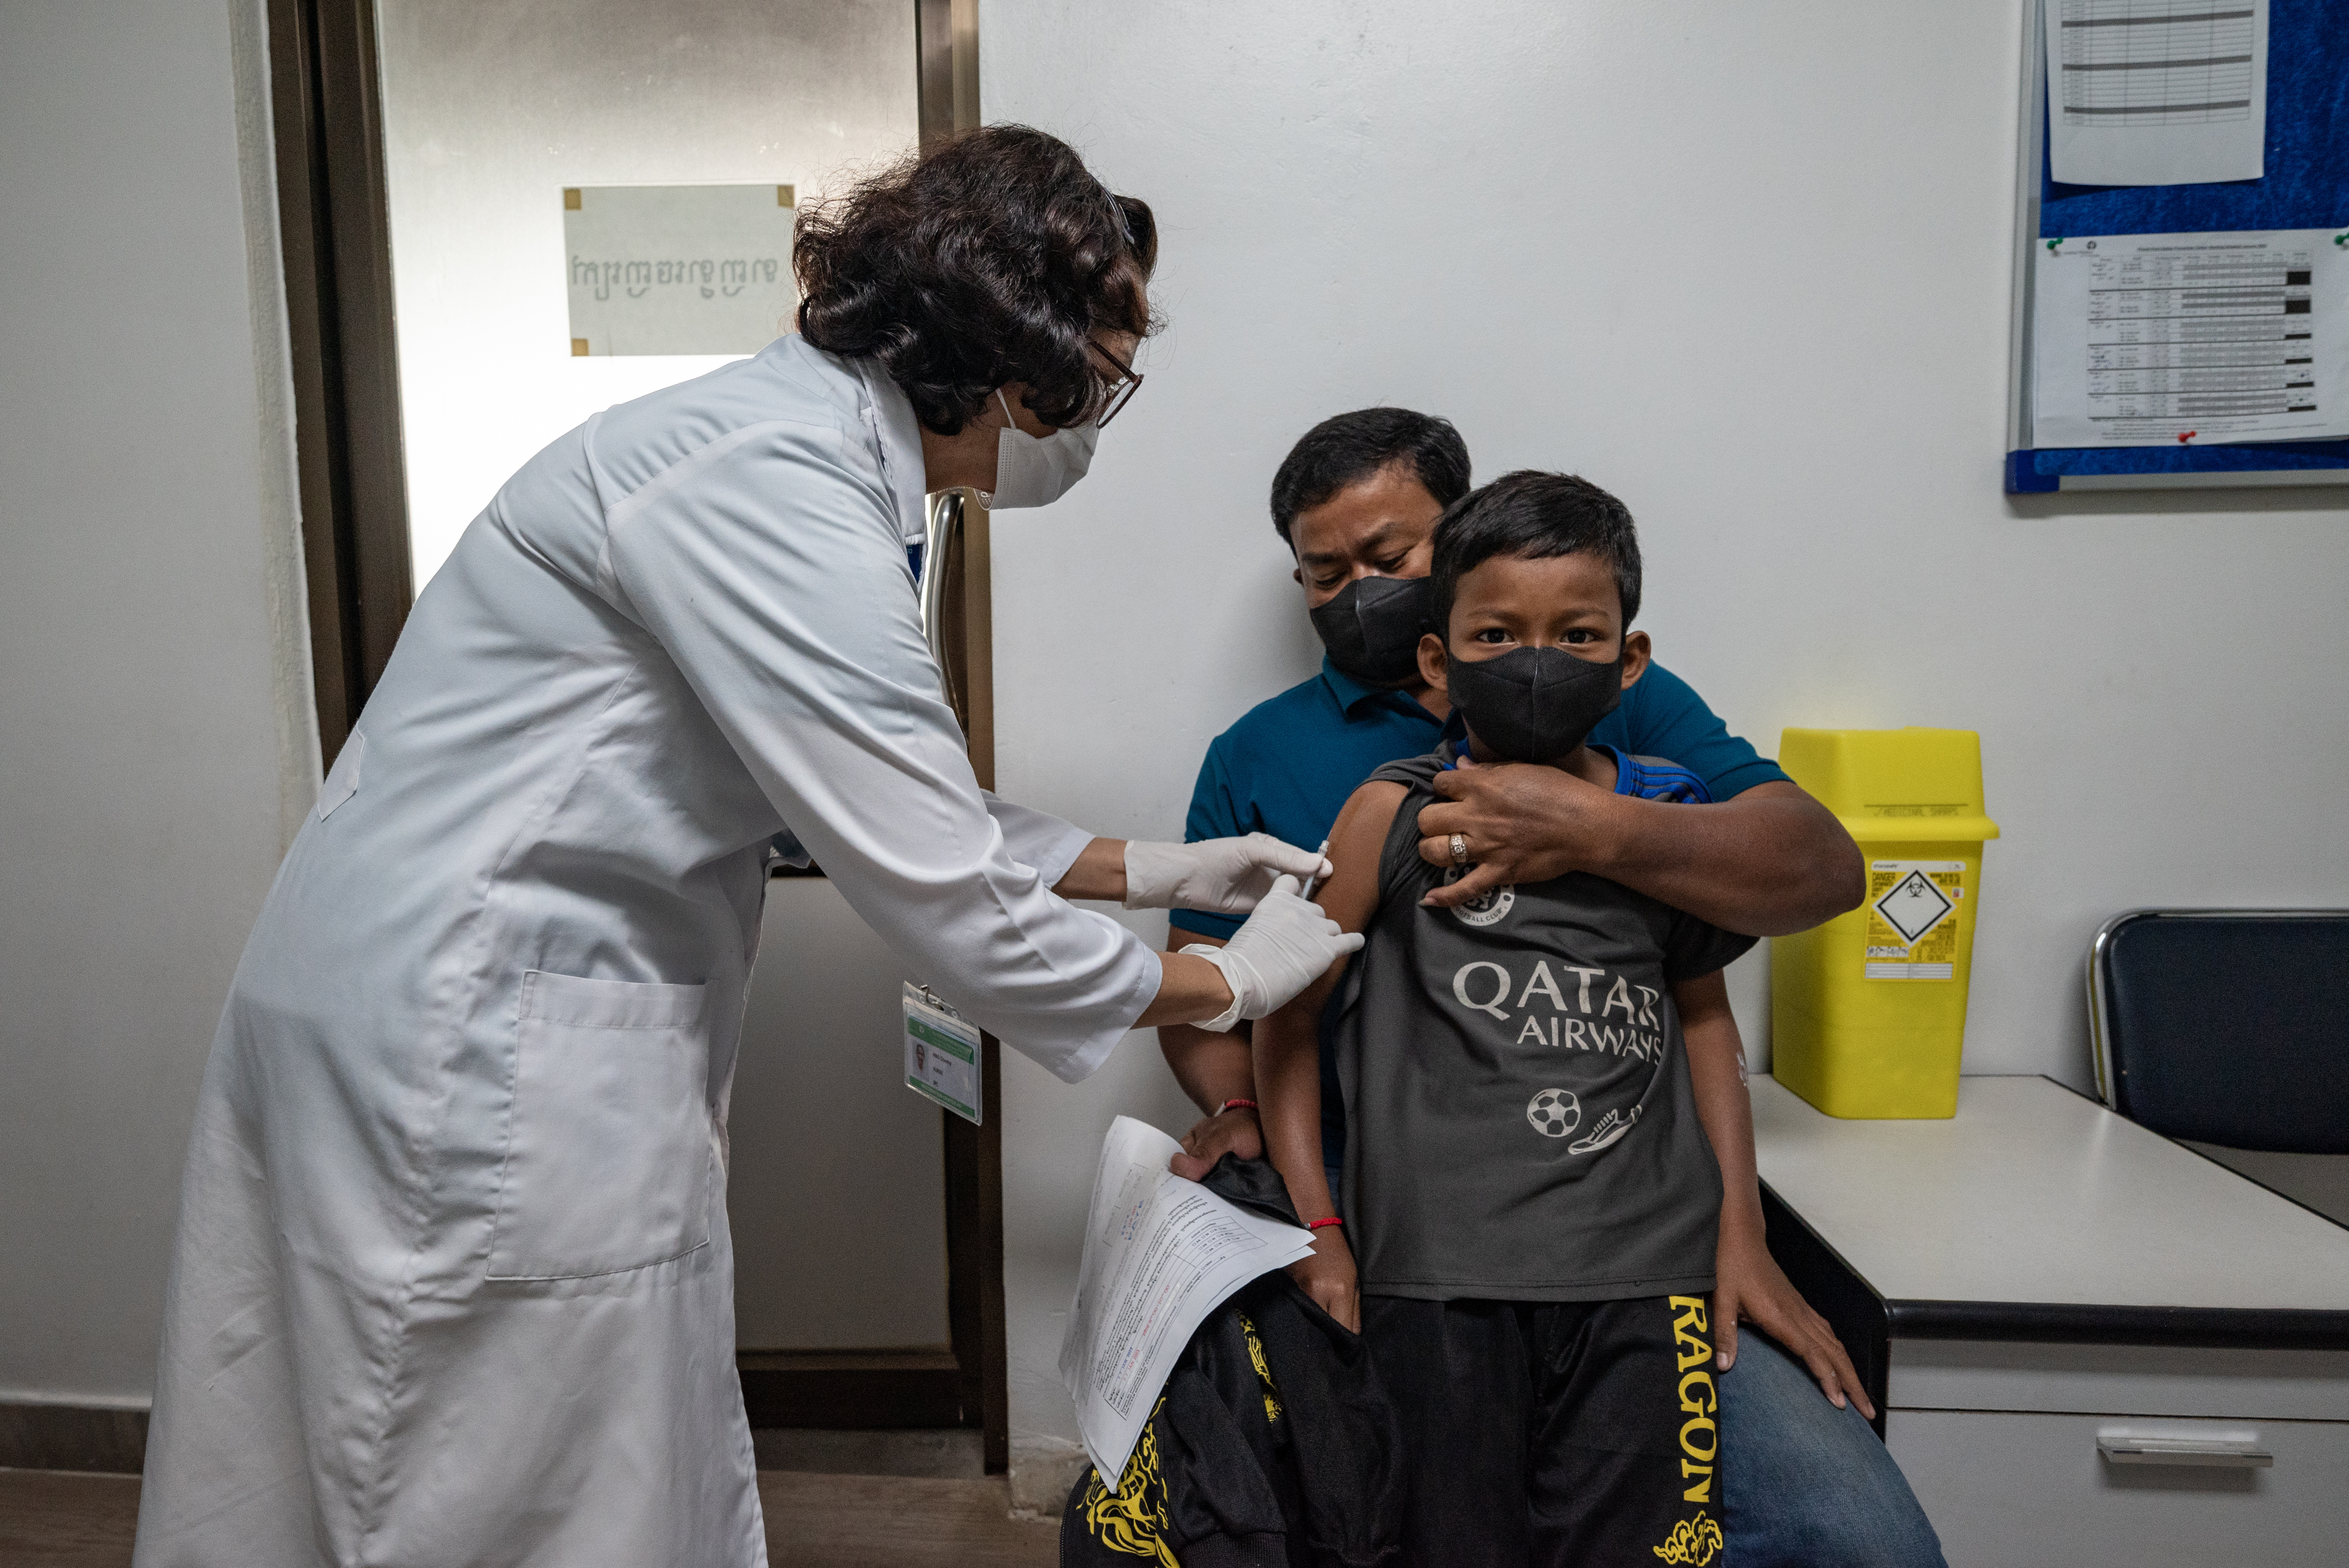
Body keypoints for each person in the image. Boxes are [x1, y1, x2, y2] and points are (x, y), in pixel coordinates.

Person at [131, 127, 1359, 1568]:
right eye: (1107, 356)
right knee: (494, 1476)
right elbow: (927, 872)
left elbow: (851, 801)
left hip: (460, 997)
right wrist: (1228, 984)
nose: (1103, 407)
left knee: (474, 1448)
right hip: (467, 1033)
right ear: (1013, 346)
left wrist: (1158, 868)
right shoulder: (766, 480)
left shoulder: (815, 464)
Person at [1161, 412, 1944, 1566]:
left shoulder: (1615, 699)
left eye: (1388, 560)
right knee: (1245, 1502)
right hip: (1386, 1221)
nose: (1361, 594)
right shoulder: (1270, 757)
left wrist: (1597, 827)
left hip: (1629, 1237)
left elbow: (1803, 884)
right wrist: (1267, 1156)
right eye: (1325, 574)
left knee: (1858, 1536)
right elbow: (1241, 995)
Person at [1249, 470, 1759, 1562]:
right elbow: (1282, 1020)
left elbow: (1705, 1025)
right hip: (1437, 1282)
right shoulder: (1393, 811)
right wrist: (1319, 1231)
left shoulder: (1666, 819)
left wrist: (1736, 1226)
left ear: (1630, 660)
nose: (1537, 662)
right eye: (1496, 632)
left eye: (1578, 634)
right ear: (1439, 658)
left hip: (1645, 1282)